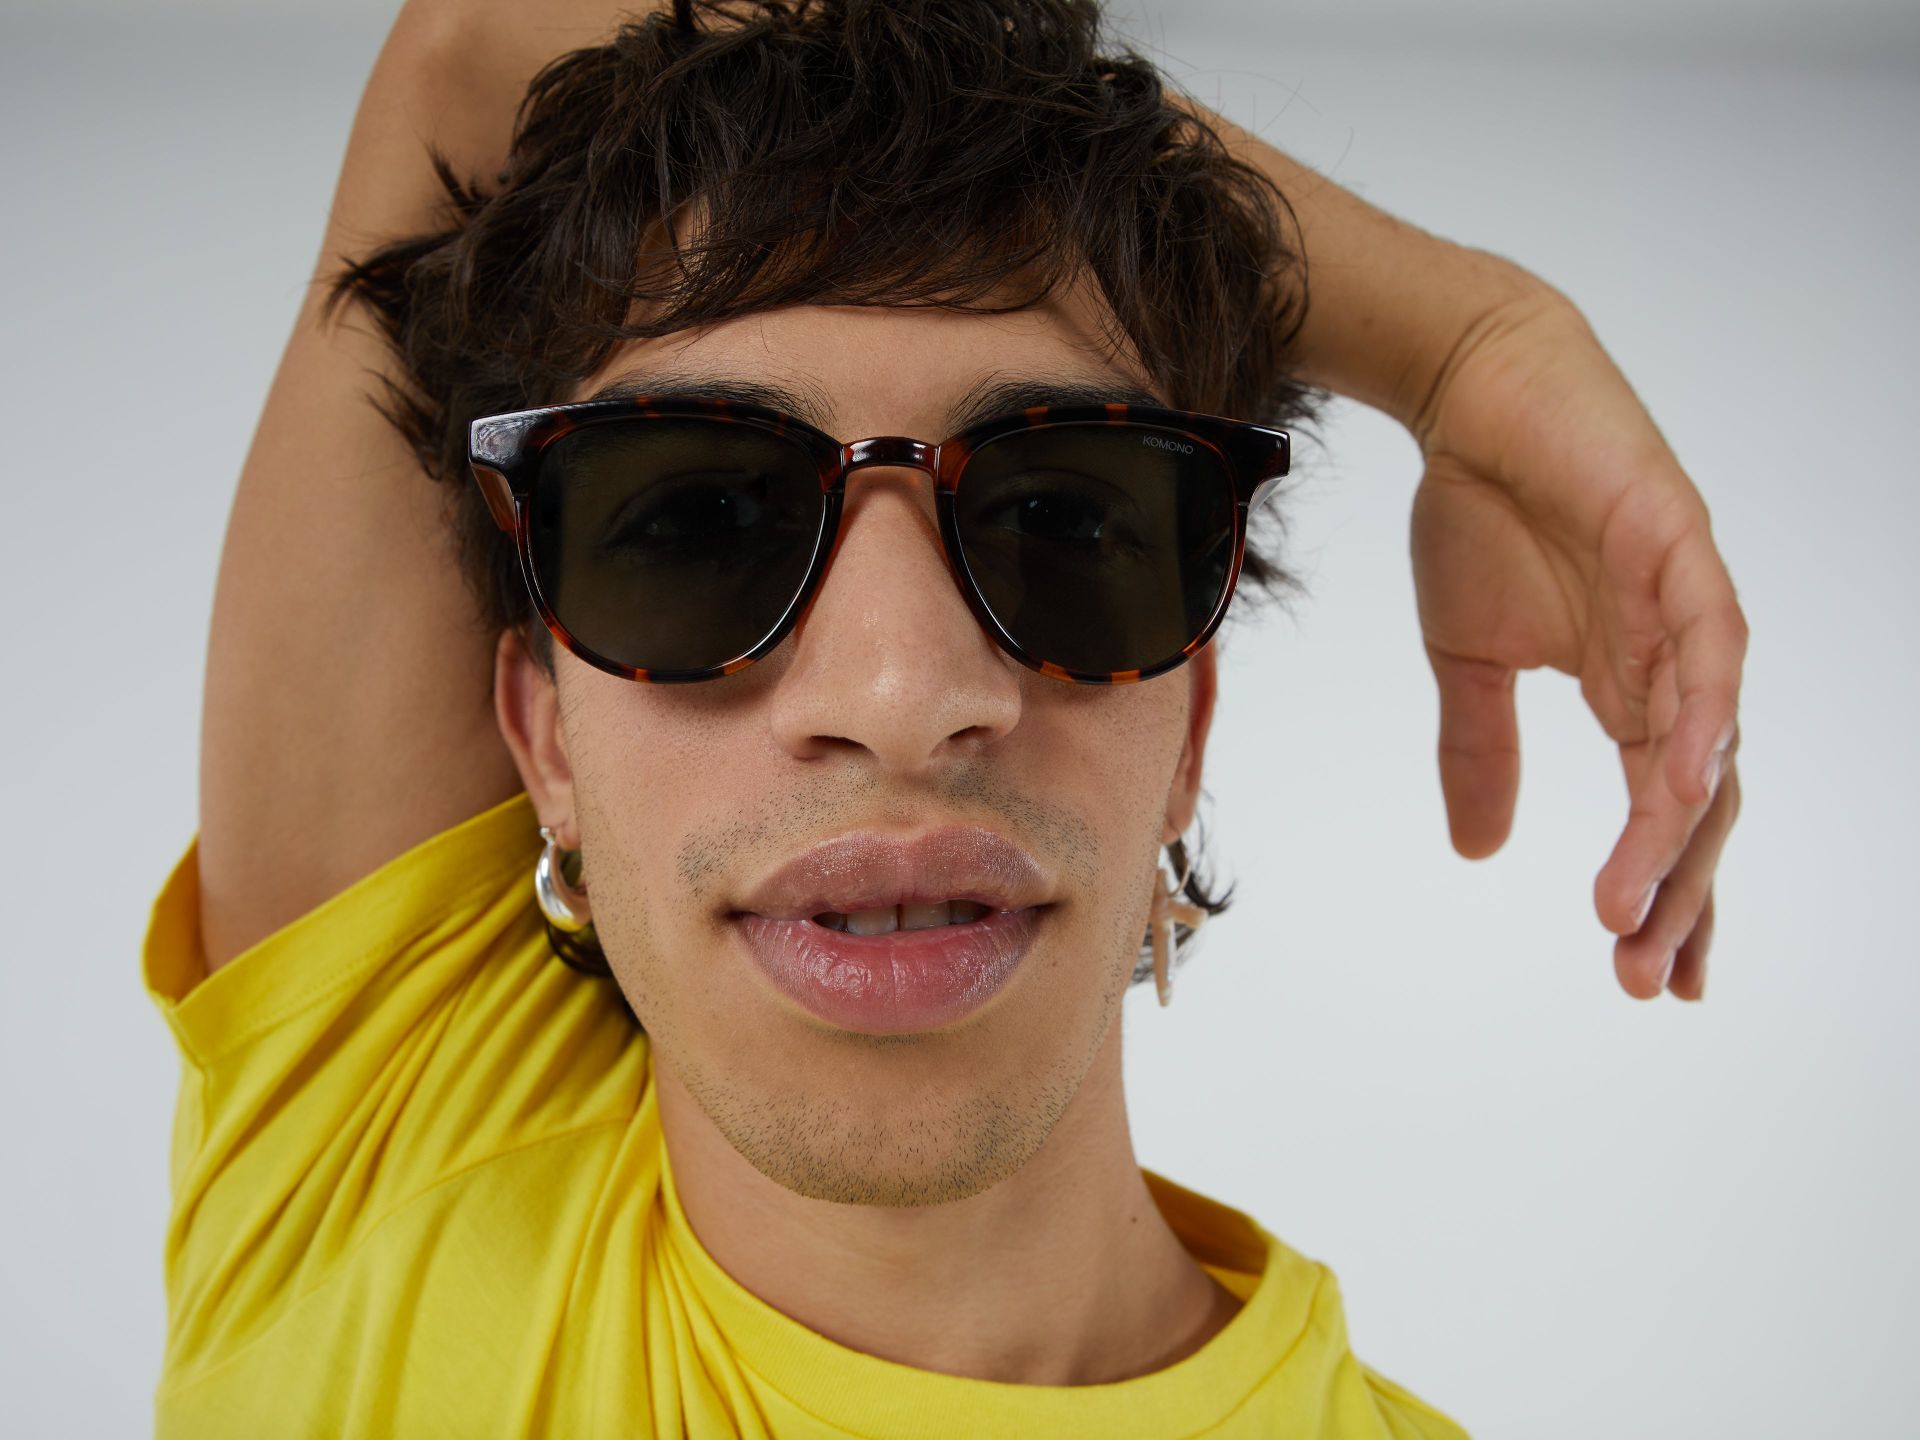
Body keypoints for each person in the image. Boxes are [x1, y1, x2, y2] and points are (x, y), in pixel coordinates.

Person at [139, 0, 1746, 1434]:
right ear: (544, 739)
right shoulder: (380, 1135)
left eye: (1057, 519)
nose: (902, 702)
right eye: (699, 524)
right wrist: (1458, 343)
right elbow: (474, 48)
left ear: (1188, 731)